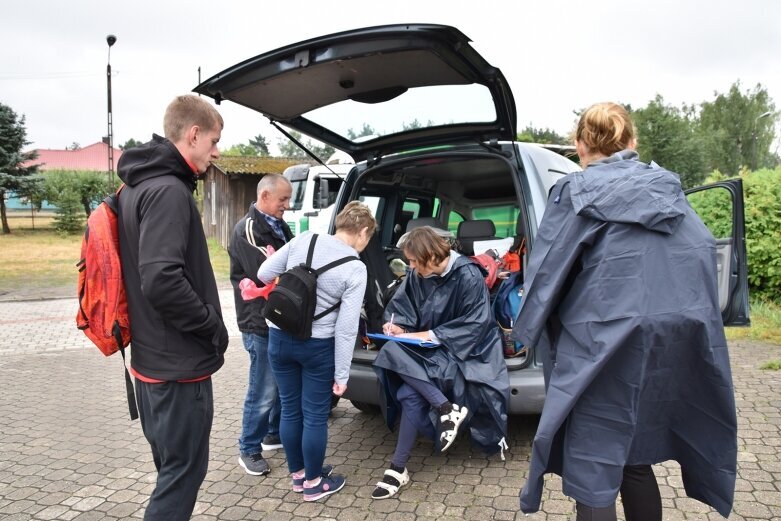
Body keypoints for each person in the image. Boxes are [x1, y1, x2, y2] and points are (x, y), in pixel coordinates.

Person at [512, 102, 737, 521]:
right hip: (664, 346)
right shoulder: (671, 193)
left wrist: (524, 330)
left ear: (579, 146)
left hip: (600, 344)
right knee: (634, 455)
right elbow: (701, 252)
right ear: (632, 143)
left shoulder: (573, 191)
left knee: (594, 461)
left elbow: (546, 271)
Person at [116, 94, 229, 521]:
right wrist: (212, 328)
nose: (216, 152)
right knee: (181, 476)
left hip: (151, 364)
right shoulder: (167, 191)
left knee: (171, 470)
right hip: (179, 369)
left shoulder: (136, 186)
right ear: (193, 134)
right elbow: (161, 279)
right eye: (214, 141)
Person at [371, 226, 510, 500]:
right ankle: (444, 410)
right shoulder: (417, 274)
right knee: (392, 350)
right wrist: (398, 326)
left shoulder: (468, 275)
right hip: (428, 348)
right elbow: (403, 307)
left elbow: (475, 325)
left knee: (406, 387)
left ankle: (398, 467)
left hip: (466, 351)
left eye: (413, 261)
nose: (409, 267)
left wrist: (424, 335)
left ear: (431, 256)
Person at [257, 201, 376, 501]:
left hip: (279, 338)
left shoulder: (304, 238)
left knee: (289, 408)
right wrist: (342, 374)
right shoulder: (355, 268)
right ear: (362, 232)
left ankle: (298, 475)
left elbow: (263, 273)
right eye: (369, 238)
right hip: (317, 347)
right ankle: (313, 483)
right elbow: (347, 329)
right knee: (314, 415)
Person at [229, 174, 293, 476]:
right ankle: (248, 448)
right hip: (258, 321)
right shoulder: (249, 230)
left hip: (277, 320)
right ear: (265, 196)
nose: (287, 205)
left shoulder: (280, 226)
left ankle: (273, 434)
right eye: (283, 199)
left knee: (279, 383)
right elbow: (267, 273)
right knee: (263, 388)